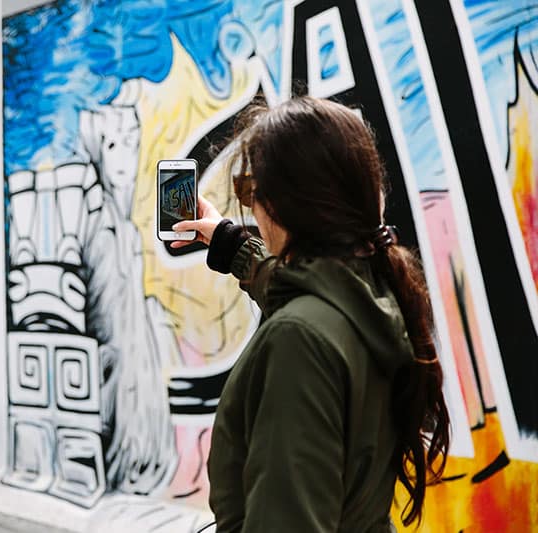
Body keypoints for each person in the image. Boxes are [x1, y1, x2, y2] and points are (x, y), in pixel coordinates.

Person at [172, 96, 450, 532]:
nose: (253, 207)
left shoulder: (298, 339)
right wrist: (229, 243)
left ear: (284, 205)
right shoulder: (371, 291)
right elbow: (299, 289)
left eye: (251, 191)